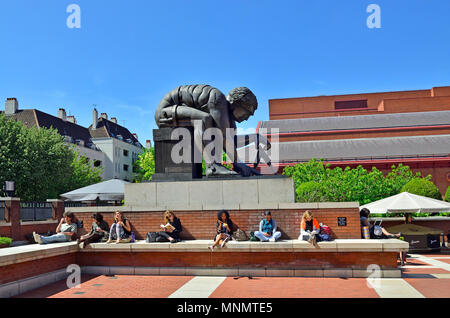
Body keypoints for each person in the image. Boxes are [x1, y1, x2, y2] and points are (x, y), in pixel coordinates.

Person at [155, 85, 270, 177]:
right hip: (165, 113)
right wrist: (238, 163)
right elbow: (225, 137)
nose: (246, 118)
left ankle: (214, 166)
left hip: (178, 112)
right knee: (204, 119)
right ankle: (212, 167)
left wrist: (255, 137)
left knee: (206, 120)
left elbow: (231, 142)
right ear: (237, 103)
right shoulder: (218, 99)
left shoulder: (227, 116)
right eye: (247, 113)